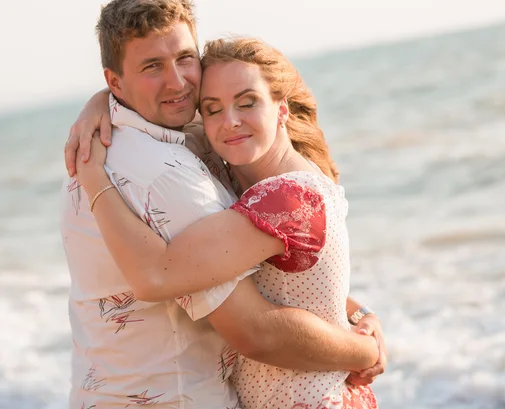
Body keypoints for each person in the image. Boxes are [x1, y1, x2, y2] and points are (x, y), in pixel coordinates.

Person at [60, 1, 384, 409]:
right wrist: (364, 345)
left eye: (184, 59)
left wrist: (364, 339)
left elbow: (272, 306)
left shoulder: (275, 190)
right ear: (116, 84)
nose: (177, 83)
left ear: (280, 108)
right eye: (151, 66)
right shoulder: (171, 167)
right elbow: (260, 318)